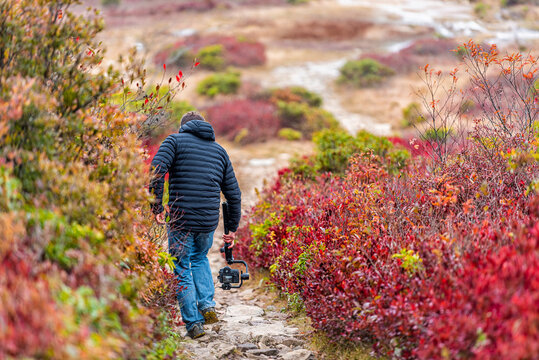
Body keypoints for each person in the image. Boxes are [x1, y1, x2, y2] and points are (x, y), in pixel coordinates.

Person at [149, 111, 241, 339]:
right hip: (208, 221)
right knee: (199, 258)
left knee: (181, 264)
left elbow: (156, 172)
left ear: (183, 128)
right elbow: (234, 194)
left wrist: (156, 207)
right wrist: (231, 229)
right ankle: (207, 305)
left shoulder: (174, 141)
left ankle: (193, 323)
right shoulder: (220, 151)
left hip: (181, 217)